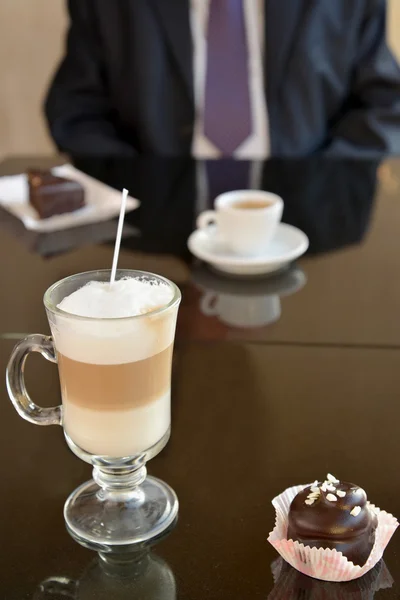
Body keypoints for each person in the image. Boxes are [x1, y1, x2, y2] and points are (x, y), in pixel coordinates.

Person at [45, 0, 400, 157]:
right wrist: (136, 190)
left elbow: (385, 105)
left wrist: (321, 186)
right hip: (152, 228)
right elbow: (76, 111)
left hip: (304, 219)